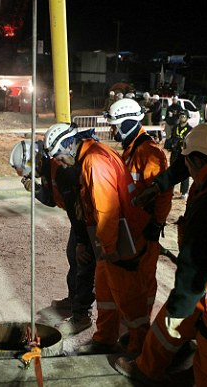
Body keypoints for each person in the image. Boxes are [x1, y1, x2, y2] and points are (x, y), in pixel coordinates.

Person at [116, 122, 207, 385]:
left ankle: (168, 372)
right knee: (190, 337)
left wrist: (181, 305)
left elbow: (196, 260)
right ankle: (164, 368)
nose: (185, 168)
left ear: (197, 159)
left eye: (187, 161)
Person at [43, 123, 151, 355]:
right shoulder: (93, 154)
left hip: (122, 238)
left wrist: (109, 248)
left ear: (69, 145)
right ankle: (105, 338)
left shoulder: (95, 162)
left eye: (60, 156)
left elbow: (106, 210)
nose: (59, 163)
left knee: (127, 298)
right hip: (114, 238)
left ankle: (139, 350)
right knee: (105, 293)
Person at [9, 138, 95, 336]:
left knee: (84, 262)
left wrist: (82, 241)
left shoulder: (61, 169)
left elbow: (76, 208)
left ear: (35, 161)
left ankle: (82, 315)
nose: (31, 175)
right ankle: (74, 299)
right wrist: (36, 190)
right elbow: (52, 199)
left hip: (89, 219)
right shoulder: (48, 169)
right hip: (81, 219)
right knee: (72, 255)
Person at [105, 98, 173, 318]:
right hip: (133, 228)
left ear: (127, 123)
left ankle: (140, 334)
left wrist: (157, 223)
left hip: (144, 229)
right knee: (129, 281)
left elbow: (162, 193)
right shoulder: (133, 150)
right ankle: (133, 328)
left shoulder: (149, 153)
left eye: (114, 125)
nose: (112, 130)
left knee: (142, 282)